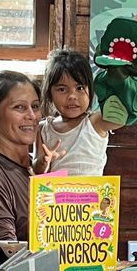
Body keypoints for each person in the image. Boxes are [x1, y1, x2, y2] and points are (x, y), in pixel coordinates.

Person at [0, 67, 51, 259]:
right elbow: (7, 257)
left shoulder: (39, 167)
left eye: (35, 106)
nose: (31, 115)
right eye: (19, 107)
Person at [40, 47, 125, 176]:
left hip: (92, 195)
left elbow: (120, 118)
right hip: (57, 195)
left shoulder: (95, 123)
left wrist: (118, 77)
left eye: (79, 88)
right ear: (49, 93)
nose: (72, 96)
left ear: (90, 90)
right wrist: (43, 161)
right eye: (62, 89)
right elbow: (36, 169)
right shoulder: (44, 129)